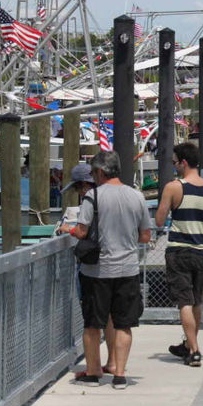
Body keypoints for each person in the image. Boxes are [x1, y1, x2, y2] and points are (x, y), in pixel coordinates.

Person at [69, 152, 151, 390]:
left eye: (93, 173)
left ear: (101, 172)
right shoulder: (137, 196)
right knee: (124, 324)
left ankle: (94, 373)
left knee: (93, 324)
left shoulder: (92, 197)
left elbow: (82, 232)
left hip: (97, 271)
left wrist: (68, 229)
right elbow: (145, 236)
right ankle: (120, 374)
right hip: (128, 269)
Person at [156, 142, 203, 368]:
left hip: (179, 250)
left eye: (175, 162)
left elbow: (159, 221)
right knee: (196, 301)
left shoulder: (174, 187)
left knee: (184, 303)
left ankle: (194, 350)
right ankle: (189, 344)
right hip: (201, 252)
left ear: (184, 163)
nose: (175, 166)